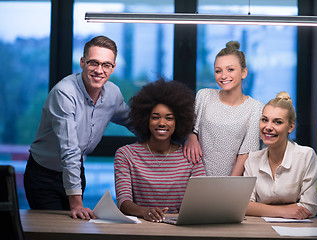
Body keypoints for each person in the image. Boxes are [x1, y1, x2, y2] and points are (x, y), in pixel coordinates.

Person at [24, 36, 132, 220]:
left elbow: (134, 122)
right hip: (43, 176)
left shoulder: (113, 94)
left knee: (75, 228)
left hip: (77, 171)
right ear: (82, 62)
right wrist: (76, 204)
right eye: (93, 63)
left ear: (113, 68)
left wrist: (180, 138)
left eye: (106, 65)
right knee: (54, 230)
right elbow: (70, 150)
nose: (99, 70)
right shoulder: (64, 93)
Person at [114, 79, 206, 223]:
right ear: (145, 119)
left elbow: (202, 201)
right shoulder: (126, 155)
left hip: (180, 228)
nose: (162, 123)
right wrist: (145, 212)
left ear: (178, 122)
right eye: (155, 117)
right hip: (141, 228)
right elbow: (123, 202)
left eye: (169, 118)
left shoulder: (190, 156)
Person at [183, 41, 264, 176]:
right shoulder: (204, 96)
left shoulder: (256, 108)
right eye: (218, 71)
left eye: (230, 69)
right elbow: (190, 128)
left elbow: (246, 154)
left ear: (244, 72)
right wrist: (190, 136)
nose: (223, 76)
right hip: (196, 177)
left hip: (232, 183)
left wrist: (228, 188)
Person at [244, 92, 317, 219]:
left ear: (291, 127)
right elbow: (245, 206)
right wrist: (284, 211)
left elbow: (309, 208)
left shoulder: (306, 156)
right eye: (264, 120)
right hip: (260, 230)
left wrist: (260, 208)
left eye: (277, 122)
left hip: (297, 233)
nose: (268, 127)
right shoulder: (252, 159)